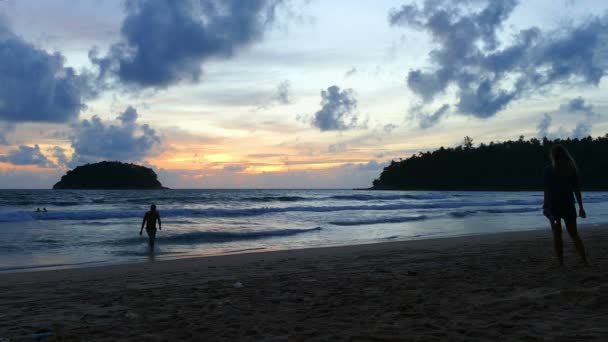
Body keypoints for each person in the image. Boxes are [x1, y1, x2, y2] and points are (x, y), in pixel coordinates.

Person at [543, 145, 588, 266]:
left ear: (552, 155)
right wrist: (581, 207)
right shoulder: (571, 169)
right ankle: (584, 260)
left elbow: (547, 191)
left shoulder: (549, 170)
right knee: (574, 234)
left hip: (554, 208)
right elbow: (576, 190)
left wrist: (545, 206)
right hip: (568, 206)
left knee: (557, 236)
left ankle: (561, 263)